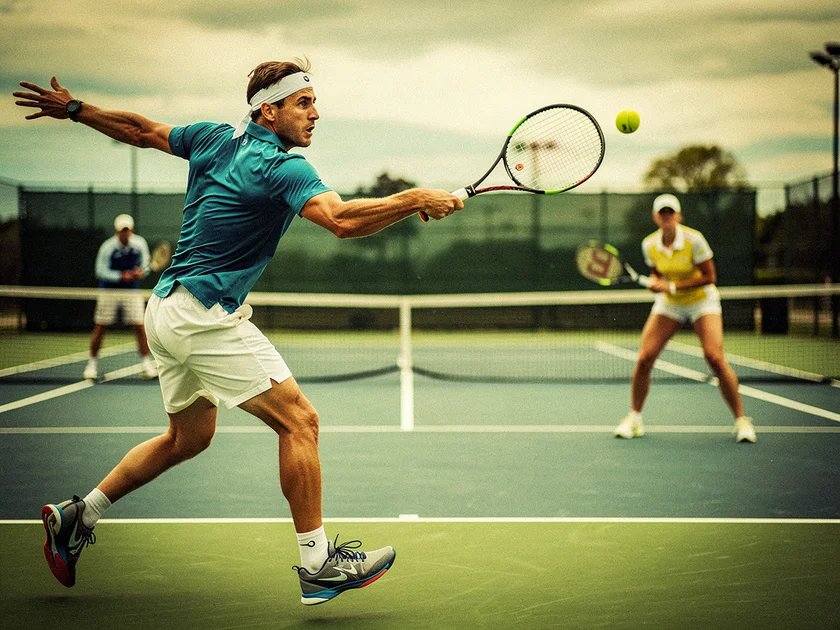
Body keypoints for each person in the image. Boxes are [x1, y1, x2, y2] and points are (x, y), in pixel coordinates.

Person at [15, 58, 463, 605]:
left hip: (164, 309)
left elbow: (141, 130)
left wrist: (77, 109)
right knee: (300, 421)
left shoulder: (211, 139)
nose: (316, 114)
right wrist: (415, 198)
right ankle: (318, 564)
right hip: (203, 312)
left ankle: (78, 515)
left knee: (188, 438)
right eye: (304, 103)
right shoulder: (284, 168)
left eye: (315, 103)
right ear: (268, 110)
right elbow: (341, 221)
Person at [613, 193, 757, 444]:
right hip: (670, 305)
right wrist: (657, 284)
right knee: (645, 357)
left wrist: (673, 287)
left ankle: (742, 421)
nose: (666, 216)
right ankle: (634, 418)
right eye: (662, 212)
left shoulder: (694, 240)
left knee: (714, 357)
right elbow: (657, 275)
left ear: (678, 215)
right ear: (655, 217)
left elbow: (710, 276)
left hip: (703, 301)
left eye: (671, 212)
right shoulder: (650, 245)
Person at [84, 213, 158, 381]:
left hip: (132, 291)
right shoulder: (107, 247)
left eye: (127, 230)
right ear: (116, 231)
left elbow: (145, 266)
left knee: (140, 326)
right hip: (109, 291)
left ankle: (147, 365)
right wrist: (120, 276)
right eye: (121, 230)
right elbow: (100, 271)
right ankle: (91, 365)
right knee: (101, 326)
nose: (125, 233)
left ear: (131, 230)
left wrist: (141, 273)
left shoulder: (139, 244)